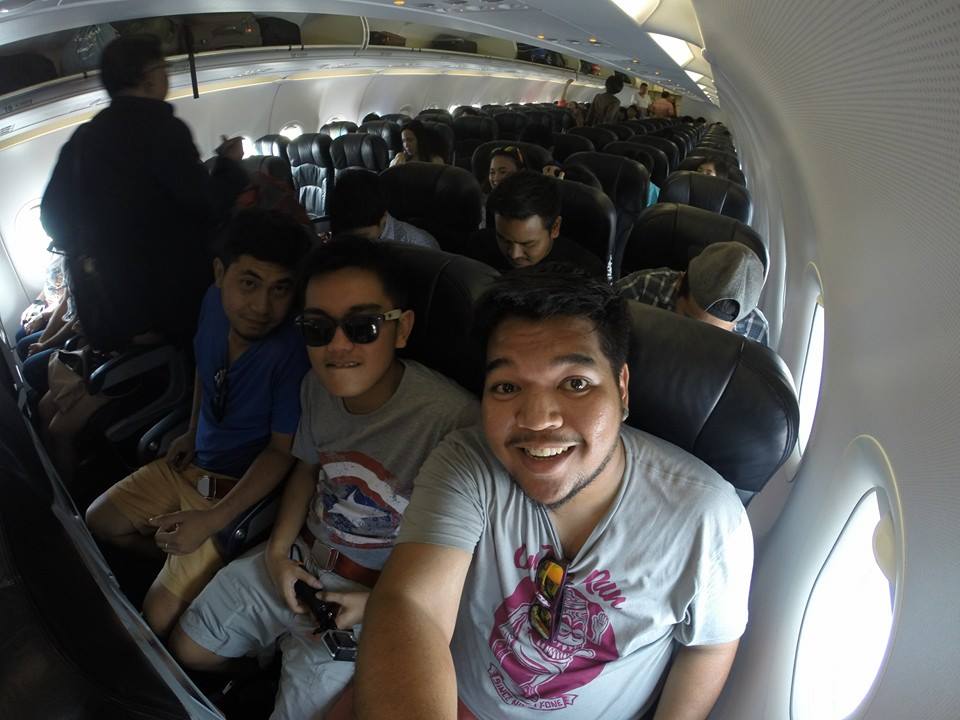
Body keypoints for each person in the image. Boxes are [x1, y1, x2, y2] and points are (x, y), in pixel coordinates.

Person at [354, 266, 753, 719]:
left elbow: (709, 646)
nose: (537, 419)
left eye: (575, 384)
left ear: (622, 389)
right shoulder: (467, 464)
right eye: (507, 387)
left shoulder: (707, 518)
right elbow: (413, 605)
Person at [169, 239, 479, 720]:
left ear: (401, 329)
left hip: (374, 598)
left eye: (362, 327)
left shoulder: (453, 421)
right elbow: (306, 468)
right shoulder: (315, 387)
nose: (337, 346)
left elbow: (473, 556)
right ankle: (273, 657)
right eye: (317, 328)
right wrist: (277, 554)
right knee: (188, 649)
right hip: (301, 561)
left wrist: (381, 604)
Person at [85, 209, 313, 638]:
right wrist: (192, 429)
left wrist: (212, 520)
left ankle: (191, 572)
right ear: (220, 274)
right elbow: (205, 373)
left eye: (280, 289)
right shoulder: (212, 305)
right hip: (192, 464)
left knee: (157, 619)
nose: (262, 307)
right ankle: (185, 567)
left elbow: (281, 452)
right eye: (249, 283)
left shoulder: (291, 353)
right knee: (98, 521)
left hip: (234, 491)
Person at [40, 36, 248, 352]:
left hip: (107, 312)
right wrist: (230, 166)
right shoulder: (163, 129)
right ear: (147, 76)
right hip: (170, 310)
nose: (167, 75)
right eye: (163, 68)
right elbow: (206, 204)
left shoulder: (82, 140)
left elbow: (52, 220)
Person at [616, 241, 770, 345]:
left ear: (739, 322)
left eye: (716, 335)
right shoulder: (641, 289)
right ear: (679, 282)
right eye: (688, 319)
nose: (697, 341)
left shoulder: (756, 330)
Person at [465, 171, 605, 278]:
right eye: (503, 239)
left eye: (527, 244)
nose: (514, 254)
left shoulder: (584, 275)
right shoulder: (476, 248)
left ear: (555, 228)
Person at [329, 168, 439, 249]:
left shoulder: (420, 247)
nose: (353, 246)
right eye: (347, 238)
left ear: (383, 219)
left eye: (363, 238)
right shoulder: (342, 234)